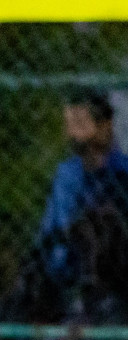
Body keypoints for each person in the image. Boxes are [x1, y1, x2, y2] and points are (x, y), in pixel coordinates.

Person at [38, 92, 128, 290]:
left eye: (79, 124)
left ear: (105, 126)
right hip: (66, 275)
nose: (72, 133)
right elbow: (50, 229)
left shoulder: (123, 172)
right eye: (69, 125)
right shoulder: (67, 174)